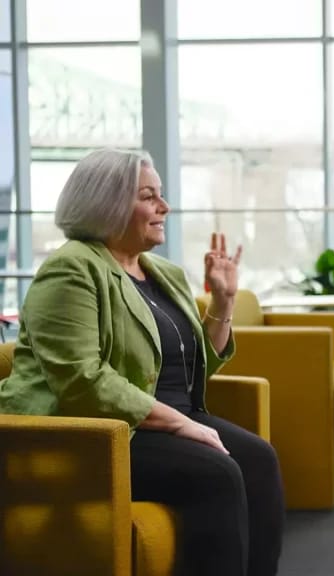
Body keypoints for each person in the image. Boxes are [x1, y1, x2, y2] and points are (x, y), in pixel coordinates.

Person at [0, 149, 284, 576]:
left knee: (260, 460)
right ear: (108, 203)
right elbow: (82, 381)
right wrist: (183, 425)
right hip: (95, 432)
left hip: (162, 421)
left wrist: (223, 301)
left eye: (161, 195)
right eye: (149, 196)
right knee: (217, 475)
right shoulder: (71, 269)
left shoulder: (163, 272)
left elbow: (195, 365)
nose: (164, 207)